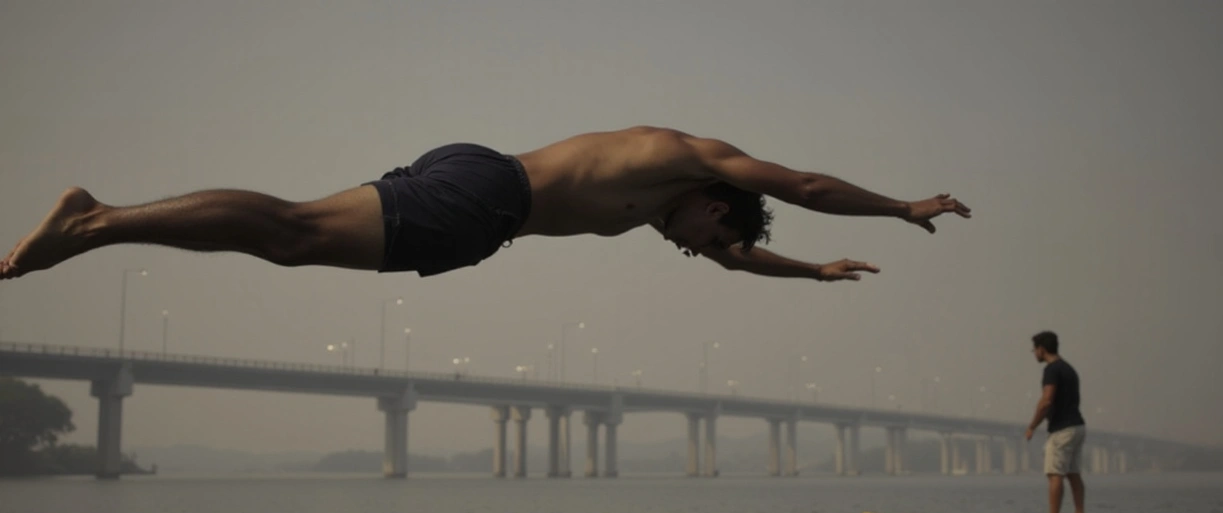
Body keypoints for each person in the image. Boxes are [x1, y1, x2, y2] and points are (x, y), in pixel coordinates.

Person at [1, 126, 970, 282]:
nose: (694, 250)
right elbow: (799, 187)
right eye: (705, 235)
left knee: (289, 240)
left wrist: (811, 270)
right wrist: (894, 209)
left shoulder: (652, 207)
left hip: (476, 185)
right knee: (292, 234)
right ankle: (97, 221)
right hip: (485, 198)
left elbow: (732, 259)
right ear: (716, 199)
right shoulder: (685, 160)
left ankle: (101, 224)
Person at [1024, 331, 1088, 513]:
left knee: (1055, 474)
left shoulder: (1052, 370)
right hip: (1078, 427)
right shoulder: (1069, 369)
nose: (1034, 353)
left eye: (1034, 349)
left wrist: (1032, 425)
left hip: (1062, 430)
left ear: (1041, 349)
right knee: (1073, 473)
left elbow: (1047, 400)